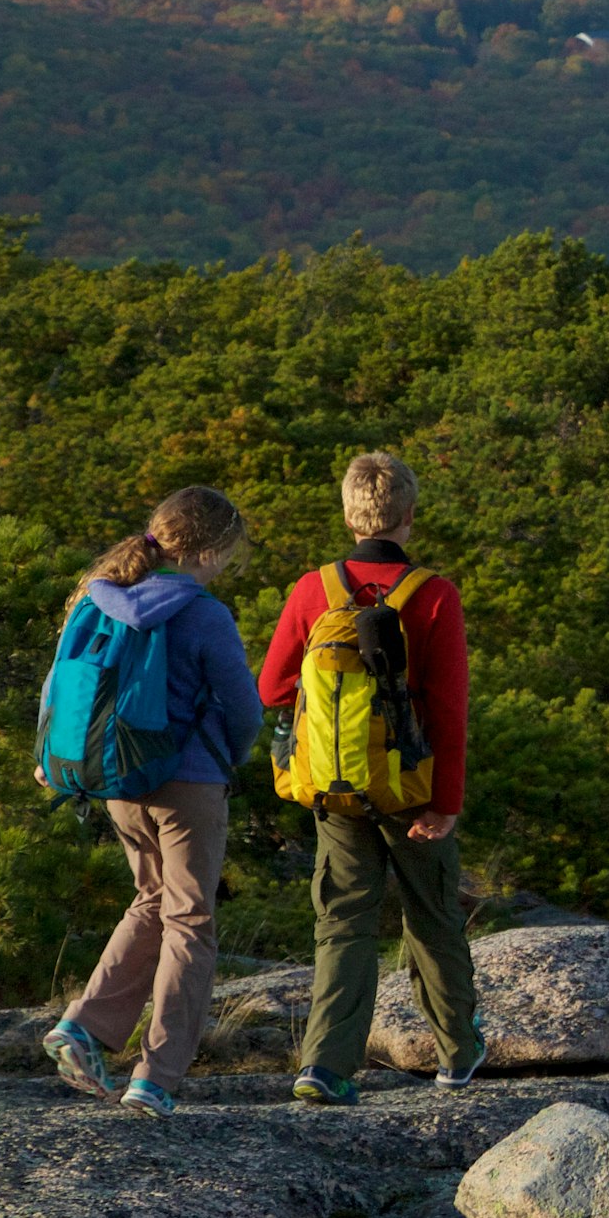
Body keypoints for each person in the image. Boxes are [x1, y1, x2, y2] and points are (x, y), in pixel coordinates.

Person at [261, 450, 483, 1103]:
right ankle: (458, 1054)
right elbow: (448, 708)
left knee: (343, 922)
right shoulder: (434, 595)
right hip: (413, 788)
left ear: (350, 514)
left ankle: (325, 1067)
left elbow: (272, 687)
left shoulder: (313, 591)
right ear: (409, 516)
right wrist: (446, 802)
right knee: (433, 915)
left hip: (335, 788)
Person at [43, 485, 263, 1121]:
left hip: (115, 780)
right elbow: (244, 708)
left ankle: (84, 1026)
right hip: (188, 781)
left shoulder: (98, 596)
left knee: (151, 901)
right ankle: (157, 1076)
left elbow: (61, 685)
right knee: (191, 919)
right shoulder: (204, 614)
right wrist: (229, 757)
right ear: (212, 550)